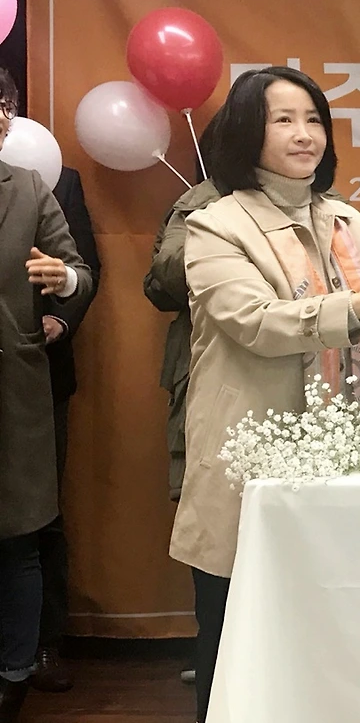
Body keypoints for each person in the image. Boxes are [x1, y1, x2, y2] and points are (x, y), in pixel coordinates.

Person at [168, 66, 360, 723]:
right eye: (284, 120)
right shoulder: (216, 225)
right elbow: (255, 321)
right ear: (248, 131)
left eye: (314, 120)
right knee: (236, 628)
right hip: (252, 458)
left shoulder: (345, 218)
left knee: (334, 622)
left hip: (346, 454)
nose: (305, 135)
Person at [0, 69, 94, 723]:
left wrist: (63, 280)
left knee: (17, 537)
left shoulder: (30, 189)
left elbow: (79, 270)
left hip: (15, 387)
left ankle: (12, 677)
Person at [143, 118, 224, 689]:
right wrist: (219, 226)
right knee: (211, 522)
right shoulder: (197, 204)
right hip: (204, 378)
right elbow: (163, 282)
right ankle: (214, 654)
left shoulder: (323, 201)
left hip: (305, 376)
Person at [29, 165, 101, 694]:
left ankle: (43, 642)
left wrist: (62, 317)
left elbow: (83, 268)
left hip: (38, 370)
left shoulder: (57, 179)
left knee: (39, 512)